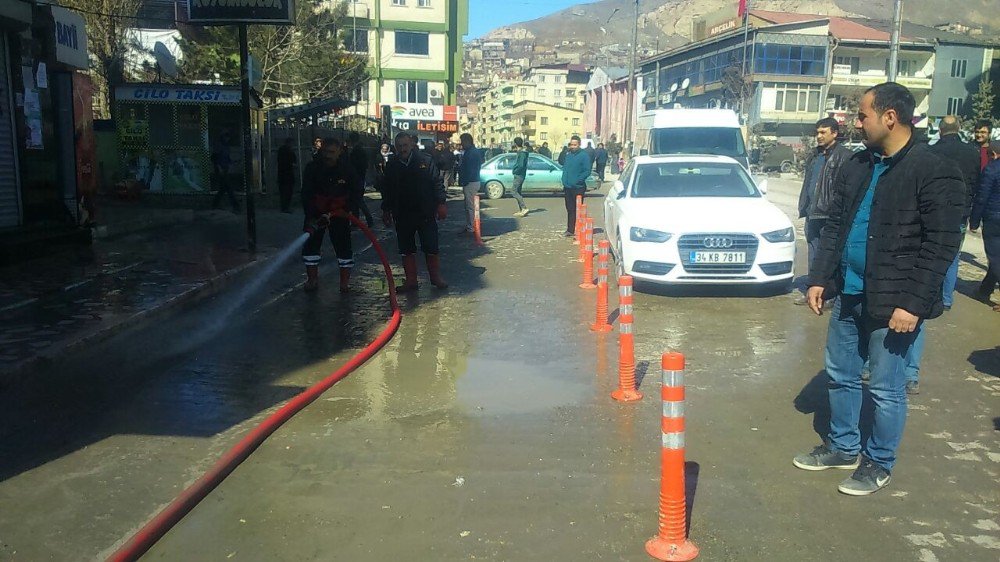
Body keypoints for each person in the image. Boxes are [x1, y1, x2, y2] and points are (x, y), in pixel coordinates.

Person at [793, 83, 964, 495]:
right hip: (850, 292)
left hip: (894, 303)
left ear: (890, 117)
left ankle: (878, 462)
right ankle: (843, 446)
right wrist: (819, 277)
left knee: (886, 389)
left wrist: (913, 304)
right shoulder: (858, 164)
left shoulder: (933, 170)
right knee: (840, 374)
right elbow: (836, 226)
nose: (856, 121)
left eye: (863, 114)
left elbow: (941, 245)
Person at [795, 117, 853, 305]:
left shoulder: (844, 156)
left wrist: (837, 210)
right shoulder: (815, 155)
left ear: (834, 133)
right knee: (813, 253)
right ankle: (812, 291)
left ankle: (829, 294)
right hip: (812, 212)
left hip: (830, 213)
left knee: (829, 253)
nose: (818, 136)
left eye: (823, 132)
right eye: (817, 132)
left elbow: (843, 187)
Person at [380, 132, 448, 290]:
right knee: (406, 248)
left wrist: (441, 203)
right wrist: (386, 210)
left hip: (425, 211)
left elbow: (437, 182)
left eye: (405, 145)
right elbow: (387, 190)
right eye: (399, 146)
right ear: (395, 147)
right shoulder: (392, 165)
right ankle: (411, 281)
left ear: (411, 145)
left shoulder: (425, 160)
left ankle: (435, 278)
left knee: (431, 246)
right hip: (402, 214)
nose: (402, 149)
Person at [929, 115, 982, 308]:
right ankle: (946, 298)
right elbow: (977, 183)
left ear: (940, 130)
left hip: (934, 210)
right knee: (953, 255)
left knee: (931, 250)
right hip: (960, 211)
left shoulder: (931, 151)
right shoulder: (971, 152)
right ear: (959, 129)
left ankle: (930, 293)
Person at [300, 138, 363, 293]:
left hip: (339, 214)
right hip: (316, 214)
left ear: (339, 152)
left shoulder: (347, 170)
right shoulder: (312, 168)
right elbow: (306, 193)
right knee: (310, 246)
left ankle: (344, 283)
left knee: (344, 247)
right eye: (326, 152)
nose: (328, 156)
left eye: (332, 152)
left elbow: (357, 192)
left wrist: (347, 209)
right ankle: (312, 280)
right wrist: (311, 214)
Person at [970, 141, 1000, 307]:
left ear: (993, 154)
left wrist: (974, 221)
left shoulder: (991, 169)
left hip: (994, 218)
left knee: (995, 257)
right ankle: (984, 290)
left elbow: (981, 198)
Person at [561, 135, 592, 237]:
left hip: (578, 187)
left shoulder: (584, 156)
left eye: (575, 145)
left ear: (579, 145)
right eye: (571, 144)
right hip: (568, 186)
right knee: (569, 209)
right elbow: (563, 164)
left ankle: (580, 230)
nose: (573, 146)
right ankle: (570, 230)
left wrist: (578, 180)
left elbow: (587, 170)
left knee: (578, 210)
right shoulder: (568, 154)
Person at [345, 132, 375, 227]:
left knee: (358, 201)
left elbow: (356, 165)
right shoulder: (359, 150)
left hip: (357, 179)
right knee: (356, 201)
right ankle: (356, 221)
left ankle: (367, 220)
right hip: (359, 178)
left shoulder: (357, 151)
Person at [457, 133, 484, 235]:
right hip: (472, 181)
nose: (461, 144)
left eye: (463, 142)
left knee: (470, 206)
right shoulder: (472, 151)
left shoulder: (471, 153)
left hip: (470, 182)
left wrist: (464, 181)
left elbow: (470, 169)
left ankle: (471, 226)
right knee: (469, 206)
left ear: (467, 141)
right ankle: (470, 225)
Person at [211, 130, 240, 211]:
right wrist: (219, 167)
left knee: (223, 189)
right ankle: (236, 206)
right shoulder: (219, 146)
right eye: (226, 137)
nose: (227, 139)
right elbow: (214, 158)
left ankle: (215, 205)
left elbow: (227, 158)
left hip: (225, 169)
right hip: (221, 170)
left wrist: (233, 162)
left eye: (228, 137)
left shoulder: (226, 146)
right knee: (229, 188)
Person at [509, 137, 531, 217]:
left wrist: (515, 170)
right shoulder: (522, 152)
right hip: (521, 174)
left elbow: (521, 165)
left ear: (515, 143)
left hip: (519, 174)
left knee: (514, 191)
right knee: (518, 191)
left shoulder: (522, 153)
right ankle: (522, 210)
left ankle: (524, 208)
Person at [276, 138, 297, 213]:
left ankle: (284, 207)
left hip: (283, 175)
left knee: (284, 192)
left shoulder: (282, 150)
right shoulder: (288, 151)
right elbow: (293, 161)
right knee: (287, 192)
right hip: (287, 174)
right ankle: (286, 207)